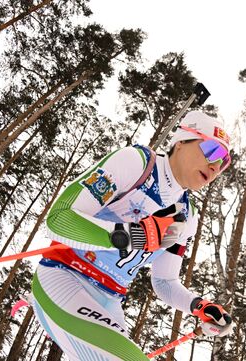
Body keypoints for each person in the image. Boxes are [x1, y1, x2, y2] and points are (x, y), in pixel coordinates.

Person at [31, 111, 233, 360]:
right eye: (213, 151)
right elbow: (60, 218)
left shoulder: (186, 216)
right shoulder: (137, 164)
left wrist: (199, 305)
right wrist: (132, 236)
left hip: (111, 301)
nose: (215, 166)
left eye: (224, 163)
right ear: (182, 140)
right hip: (64, 278)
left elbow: (165, 282)